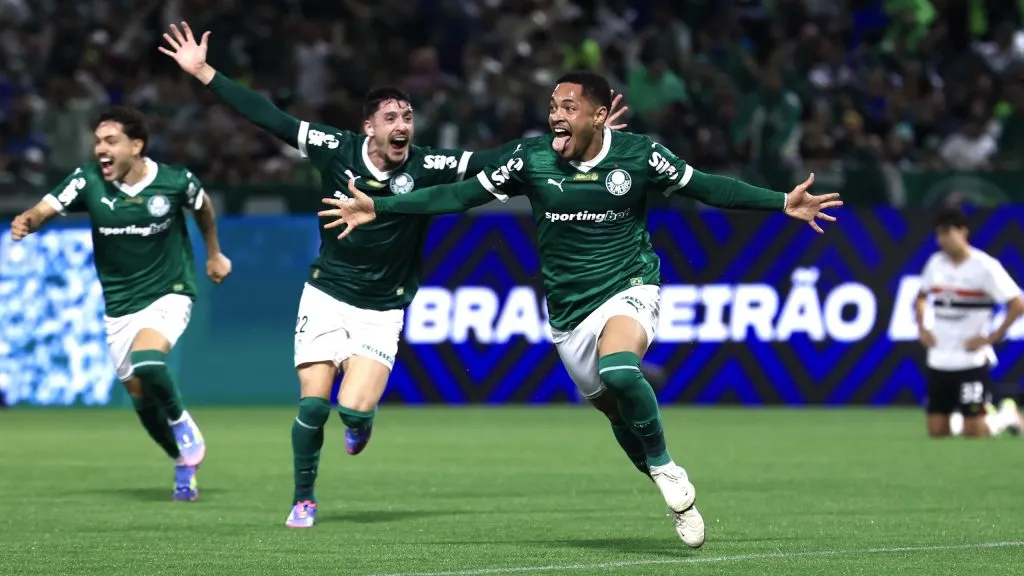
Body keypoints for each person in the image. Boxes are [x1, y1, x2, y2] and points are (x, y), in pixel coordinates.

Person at [319, 70, 842, 547]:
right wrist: (378, 204)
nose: (555, 115)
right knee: (616, 413)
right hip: (568, 314)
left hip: (630, 284)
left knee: (621, 368)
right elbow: (456, 197)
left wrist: (780, 202)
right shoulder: (531, 159)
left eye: (568, 107)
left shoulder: (638, 155)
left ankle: (666, 466)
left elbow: (707, 187)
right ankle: (662, 479)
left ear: (597, 115)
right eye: (552, 105)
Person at [157, 22, 630, 527]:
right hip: (326, 295)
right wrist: (206, 72)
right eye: (391, 117)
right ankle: (303, 498)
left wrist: (586, 137)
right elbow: (269, 117)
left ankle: (360, 425)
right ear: (370, 128)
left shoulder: (429, 165)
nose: (403, 124)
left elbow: (499, 160)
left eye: (407, 115)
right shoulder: (334, 148)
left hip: (382, 310)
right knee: (313, 406)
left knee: (353, 412)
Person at [10, 106, 231, 501]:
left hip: (170, 290)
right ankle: (180, 460)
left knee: (149, 361)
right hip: (119, 305)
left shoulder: (175, 181)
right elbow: (45, 207)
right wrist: (28, 219)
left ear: (137, 145)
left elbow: (203, 208)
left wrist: (214, 254)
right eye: (97, 141)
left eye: (110, 141)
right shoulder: (87, 181)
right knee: (140, 401)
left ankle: (183, 422)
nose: (100, 149)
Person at [915, 207, 1024, 438]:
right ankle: (961, 418)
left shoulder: (985, 266)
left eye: (947, 232)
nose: (942, 239)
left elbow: (1017, 303)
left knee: (975, 433)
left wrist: (992, 337)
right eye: (939, 233)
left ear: (963, 232)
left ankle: (1006, 416)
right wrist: (922, 328)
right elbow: (922, 297)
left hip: (970, 359)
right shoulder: (935, 263)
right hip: (939, 356)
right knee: (936, 432)